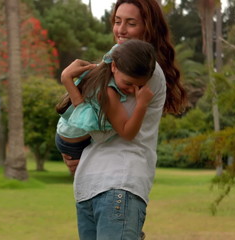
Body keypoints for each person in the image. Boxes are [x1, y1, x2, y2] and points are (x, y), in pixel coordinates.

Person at [62, 0, 187, 239]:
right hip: (91, 185)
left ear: (148, 28)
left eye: (131, 23)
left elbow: (102, 129)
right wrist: (71, 148)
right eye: (117, 21)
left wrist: (72, 143)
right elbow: (93, 118)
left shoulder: (142, 73)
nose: (121, 29)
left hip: (119, 183)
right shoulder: (114, 63)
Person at [55, 40, 156, 160]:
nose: (132, 90)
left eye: (139, 86)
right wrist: (142, 104)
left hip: (64, 129)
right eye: (128, 83)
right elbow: (127, 133)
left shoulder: (109, 65)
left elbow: (120, 47)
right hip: (74, 144)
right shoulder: (107, 93)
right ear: (114, 67)